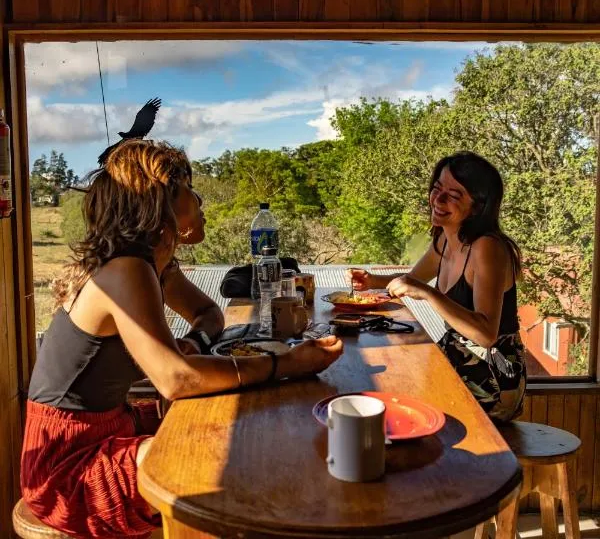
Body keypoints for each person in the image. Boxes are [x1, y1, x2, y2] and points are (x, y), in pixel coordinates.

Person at [21, 139, 343, 539]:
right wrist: (287, 365)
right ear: (163, 201)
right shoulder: (127, 270)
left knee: (237, 425)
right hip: (69, 470)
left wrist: (193, 345)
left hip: (113, 429)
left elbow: (209, 314)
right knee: (213, 455)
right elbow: (176, 380)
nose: (201, 198)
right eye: (191, 188)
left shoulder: (154, 266)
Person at [347, 151, 525, 422]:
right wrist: (373, 281)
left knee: (398, 410)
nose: (438, 200)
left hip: (493, 377)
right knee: (380, 387)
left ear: (478, 206)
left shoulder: (487, 247)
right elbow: (413, 281)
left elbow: (486, 334)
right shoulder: (444, 238)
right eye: (437, 189)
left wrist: (429, 294)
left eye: (454, 195)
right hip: (457, 360)